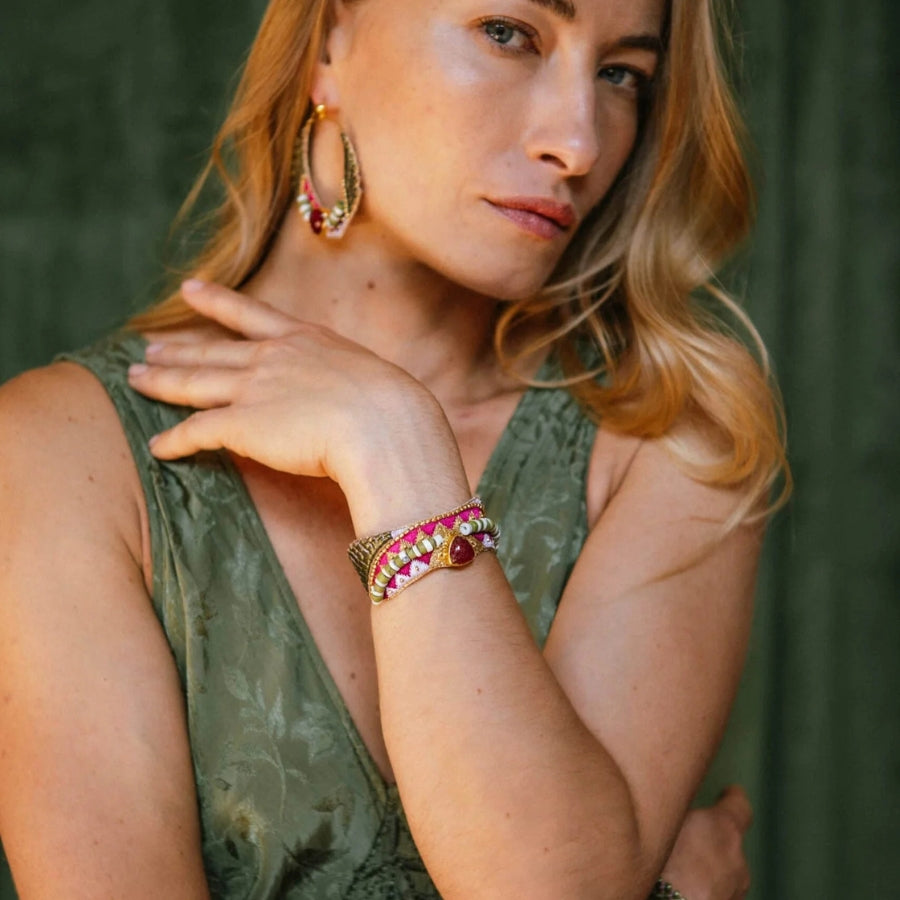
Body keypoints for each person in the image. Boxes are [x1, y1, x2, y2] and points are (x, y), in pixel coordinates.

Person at [0, 0, 786, 897]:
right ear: (329, 40)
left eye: (621, 76)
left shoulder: (671, 436)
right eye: (509, 34)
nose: (578, 144)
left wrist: (395, 451)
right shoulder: (58, 454)